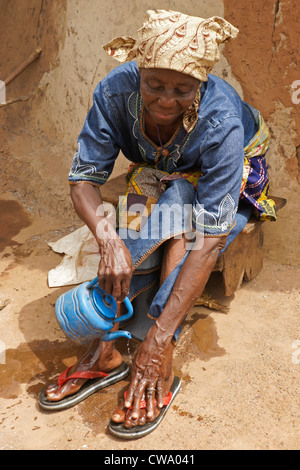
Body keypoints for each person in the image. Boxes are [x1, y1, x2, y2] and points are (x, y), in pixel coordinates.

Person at [39, 10, 276, 438]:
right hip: (160, 167)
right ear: (139, 69)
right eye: (155, 85)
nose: (167, 100)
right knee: (137, 214)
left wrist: (159, 338)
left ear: (201, 85)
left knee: (183, 217)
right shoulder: (114, 92)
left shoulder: (220, 120)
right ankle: (107, 347)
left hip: (236, 167)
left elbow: (211, 236)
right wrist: (107, 240)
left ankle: (155, 348)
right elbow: (83, 180)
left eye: (183, 90)